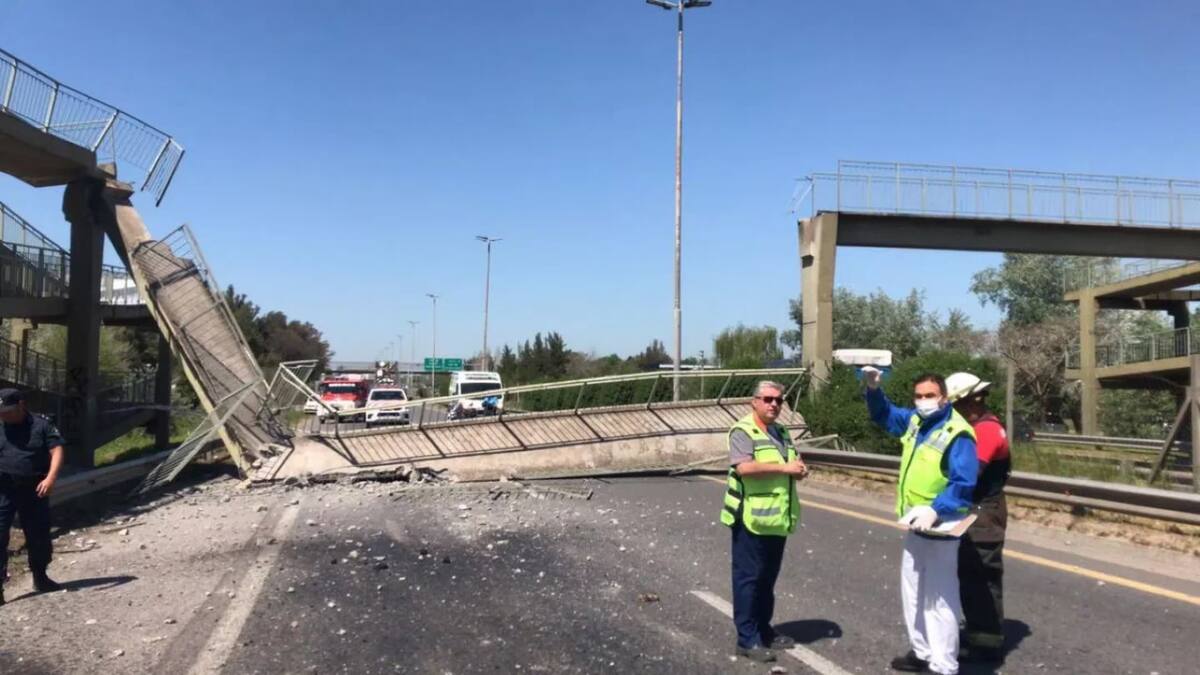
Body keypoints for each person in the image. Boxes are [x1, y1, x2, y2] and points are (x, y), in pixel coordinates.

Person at [862, 368, 978, 675]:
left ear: (943, 398)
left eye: (930, 395)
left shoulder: (958, 432)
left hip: (941, 527)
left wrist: (936, 509)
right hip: (914, 524)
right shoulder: (916, 421)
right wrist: (873, 389)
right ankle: (922, 652)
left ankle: (944, 665)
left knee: (940, 599)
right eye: (919, 395)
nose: (924, 400)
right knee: (912, 593)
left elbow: (964, 482)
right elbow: (885, 415)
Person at [718, 380, 808, 663]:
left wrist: (799, 468)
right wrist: (784, 468)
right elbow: (744, 467)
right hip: (750, 518)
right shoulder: (743, 431)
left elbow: (791, 461)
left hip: (776, 518)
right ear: (754, 401)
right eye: (768, 399)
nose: (774, 405)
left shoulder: (781, 432)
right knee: (748, 579)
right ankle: (747, 640)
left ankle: (764, 630)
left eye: (779, 400)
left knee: (767, 579)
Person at [945, 372, 1011, 663]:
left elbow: (969, 475)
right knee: (970, 574)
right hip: (978, 509)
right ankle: (978, 633)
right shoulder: (982, 426)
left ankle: (985, 645)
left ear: (969, 402)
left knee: (980, 576)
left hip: (983, 512)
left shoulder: (984, 431)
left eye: (955, 406)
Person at [0, 388, 64, 606]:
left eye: (8, 411)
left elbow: (56, 451)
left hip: (34, 488)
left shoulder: (42, 425)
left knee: (38, 535)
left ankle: (40, 577)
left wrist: (50, 479)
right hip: (4, 488)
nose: (4, 415)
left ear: (21, 405)